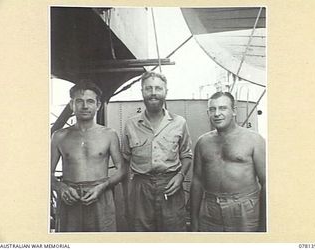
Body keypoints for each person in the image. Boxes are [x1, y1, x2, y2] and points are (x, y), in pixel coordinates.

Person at [121, 71, 192, 232]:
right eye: (148, 88)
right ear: (142, 92)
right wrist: (128, 196)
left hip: (170, 186)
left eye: (158, 88)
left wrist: (180, 176)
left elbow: (187, 155)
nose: (153, 93)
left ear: (166, 92)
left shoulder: (179, 122)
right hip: (140, 188)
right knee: (141, 235)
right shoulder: (131, 124)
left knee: (173, 235)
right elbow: (124, 161)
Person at [51, 80, 125, 232]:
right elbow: (46, 172)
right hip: (70, 197)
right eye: (79, 101)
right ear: (72, 105)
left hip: (101, 195)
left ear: (97, 105)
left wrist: (103, 186)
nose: (85, 106)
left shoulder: (109, 135)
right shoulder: (59, 136)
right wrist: (61, 187)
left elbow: (122, 169)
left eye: (90, 101)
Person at [190, 91, 266, 232]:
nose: (217, 113)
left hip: (245, 211)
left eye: (223, 108)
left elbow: (267, 182)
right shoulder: (203, 142)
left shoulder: (255, 140)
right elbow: (197, 181)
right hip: (210, 211)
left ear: (234, 111)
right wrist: (194, 220)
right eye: (212, 109)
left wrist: (265, 224)